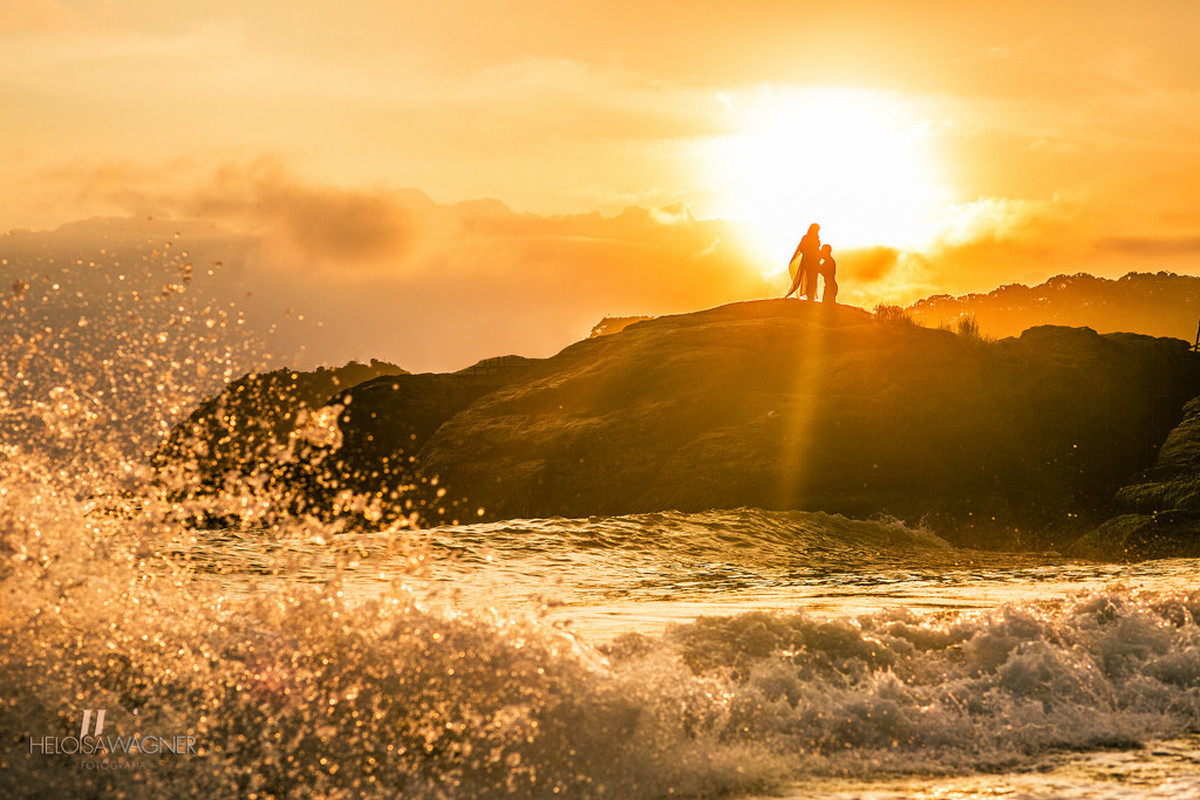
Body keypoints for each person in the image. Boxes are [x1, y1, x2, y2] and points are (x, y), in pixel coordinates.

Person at [784, 223, 821, 301]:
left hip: (814, 261)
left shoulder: (815, 239)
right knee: (810, 279)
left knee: (813, 280)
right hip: (809, 261)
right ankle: (810, 297)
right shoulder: (806, 238)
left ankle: (811, 297)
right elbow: (802, 249)